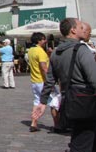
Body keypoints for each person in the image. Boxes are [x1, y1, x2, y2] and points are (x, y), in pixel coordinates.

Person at [34, 18, 96, 151]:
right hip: (87, 101)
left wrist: (43, 102)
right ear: (73, 30)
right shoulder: (81, 49)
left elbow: (50, 80)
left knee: (79, 136)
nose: (82, 29)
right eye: (80, 27)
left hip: (70, 101)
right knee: (85, 139)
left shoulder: (56, 52)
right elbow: (94, 79)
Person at [27, 32, 60, 133]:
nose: (45, 41)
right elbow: (44, 67)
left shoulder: (31, 50)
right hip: (43, 81)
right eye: (44, 39)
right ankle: (57, 125)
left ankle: (34, 122)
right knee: (55, 101)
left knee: (37, 101)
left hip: (34, 80)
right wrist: (51, 80)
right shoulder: (40, 51)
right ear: (39, 40)